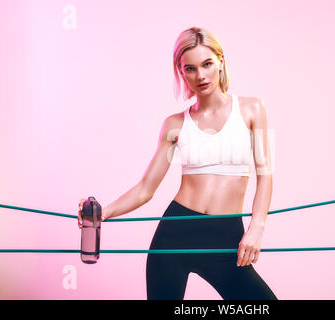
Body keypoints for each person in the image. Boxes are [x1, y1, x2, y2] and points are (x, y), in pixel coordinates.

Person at [78, 26, 277, 300]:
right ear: (181, 71)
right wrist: (104, 213)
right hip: (175, 235)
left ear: (221, 60)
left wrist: (257, 227)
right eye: (190, 68)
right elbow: (145, 189)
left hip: (227, 237)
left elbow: (265, 176)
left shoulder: (253, 109)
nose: (201, 75)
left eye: (207, 64)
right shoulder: (174, 124)